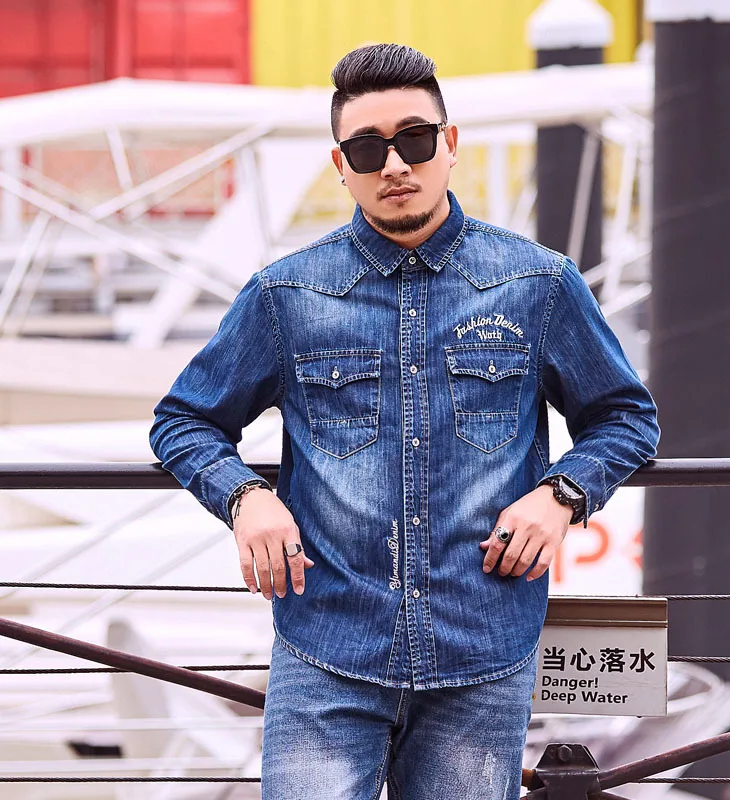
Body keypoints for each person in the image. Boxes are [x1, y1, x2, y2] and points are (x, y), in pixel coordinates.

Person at [150, 43, 659, 800]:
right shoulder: (285, 296)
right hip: (327, 647)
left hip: (482, 653)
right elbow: (183, 420)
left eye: (415, 140)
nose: (394, 165)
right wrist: (245, 497)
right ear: (341, 165)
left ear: (449, 144)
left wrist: (562, 496)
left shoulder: (538, 283)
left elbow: (625, 416)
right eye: (367, 149)